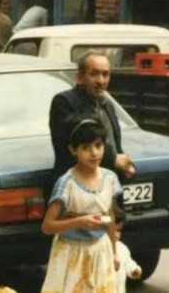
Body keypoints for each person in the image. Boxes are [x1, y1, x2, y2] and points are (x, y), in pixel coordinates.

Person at [40, 116, 121, 293]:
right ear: (73, 150)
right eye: (86, 148)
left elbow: (109, 216)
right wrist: (79, 222)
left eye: (98, 145)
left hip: (100, 252)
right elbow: (47, 226)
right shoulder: (66, 184)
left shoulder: (109, 179)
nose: (94, 153)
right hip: (71, 253)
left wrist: (114, 252)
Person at [49, 50, 136, 180]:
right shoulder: (64, 102)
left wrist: (126, 166)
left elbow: (115, 145)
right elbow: (71, 145)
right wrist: (114, 159)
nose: (100, 80)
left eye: (105, 74)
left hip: (106, 186)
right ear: (80, 77)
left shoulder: (107, 105)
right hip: (77, 187)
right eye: (94, 74)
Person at [113, 207, 142, 293]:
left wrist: (134, 270)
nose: (115, 235)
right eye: (112, 231)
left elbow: (127, 262)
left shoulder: (122, 248)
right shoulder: (98, 250)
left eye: (118, 231)